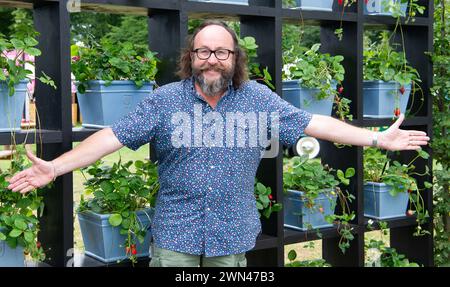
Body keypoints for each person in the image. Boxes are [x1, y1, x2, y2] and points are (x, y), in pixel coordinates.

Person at [7, 20, 430, 267]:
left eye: (222, 52)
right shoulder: (164, 100)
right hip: (176, 240)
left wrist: (377, 138)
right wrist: (56, 167)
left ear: (235, 58)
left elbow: (314, 122)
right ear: (190, 57)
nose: (212, 58)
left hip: (232, 239)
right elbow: (110, 137)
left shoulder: (259, 99)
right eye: (203, 51)